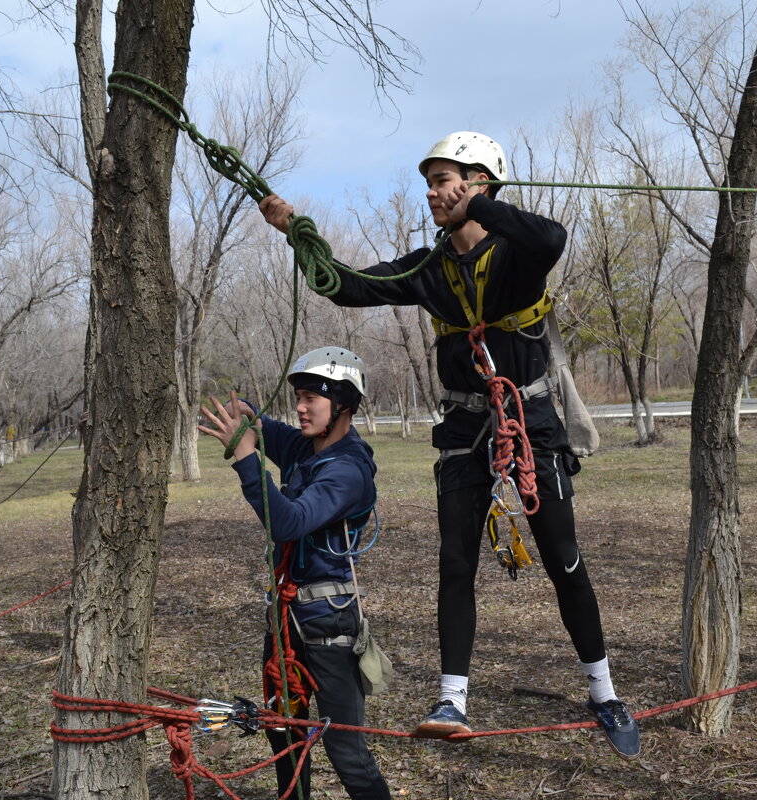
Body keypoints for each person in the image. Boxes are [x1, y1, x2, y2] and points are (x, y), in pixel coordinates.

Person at [257, 132, 641, 759]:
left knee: (563, 558)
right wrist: (296, 229)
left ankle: (604, 691)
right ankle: (451, 698)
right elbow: (346, 284)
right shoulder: (428, 269)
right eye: (431, 183)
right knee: (456, 563)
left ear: (480, 184)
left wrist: (481, 205)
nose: (432, 194)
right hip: (465, 429)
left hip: (530, 419)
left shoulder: (518, 253)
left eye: (445, 182)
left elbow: (552, 239)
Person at [198, 346, 392, 800]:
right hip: (286, 621)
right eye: (299, 397)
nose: (300, 408)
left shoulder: (347, 470)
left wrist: (248, 459)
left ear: (343, 404)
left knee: (346, 749)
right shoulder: (310, 447)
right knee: (285, 737)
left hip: (328, 622)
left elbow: (287, 521)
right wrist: (250, 418)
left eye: (312, 399)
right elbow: (275, 434)